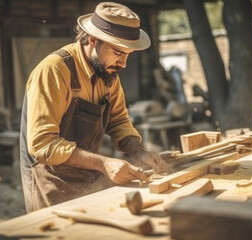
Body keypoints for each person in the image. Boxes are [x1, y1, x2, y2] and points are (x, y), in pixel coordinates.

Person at [20, 1, 168, 212]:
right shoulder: (54, 71)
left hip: (87, 171)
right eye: (118, 53)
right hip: (49, 177)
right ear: (92, 39)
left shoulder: (108, 74)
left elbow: (118, 121)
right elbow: (43, 144)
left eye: (127, 55)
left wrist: (138, 153)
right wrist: (103, 163)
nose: (123, 63)